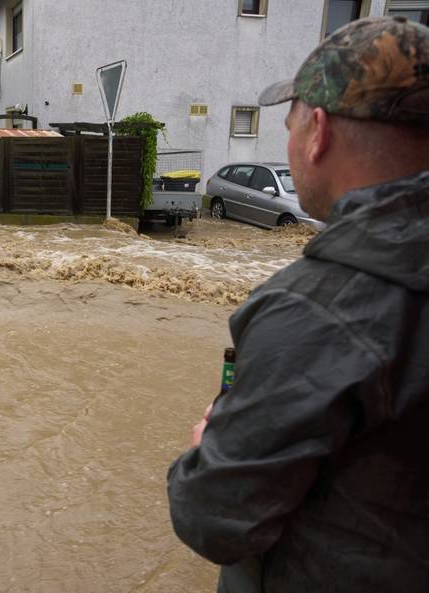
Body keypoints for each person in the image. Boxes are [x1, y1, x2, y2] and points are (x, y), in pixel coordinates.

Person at [166, 16, 429, 593]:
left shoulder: (314, 310)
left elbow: (212, 519)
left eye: (286, 123)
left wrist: (209, 449)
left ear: (317, 131)